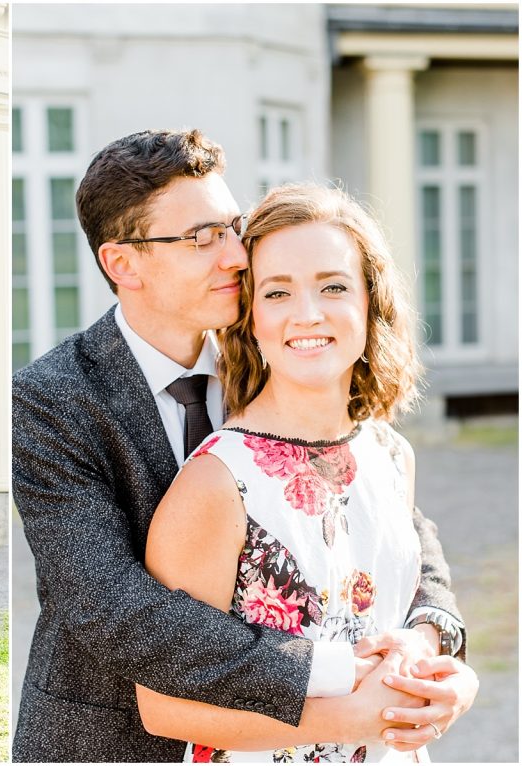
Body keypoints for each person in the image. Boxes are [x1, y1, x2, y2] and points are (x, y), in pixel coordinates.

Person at [12, 129, 472, 762]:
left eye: (231, 226)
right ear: (123, 264)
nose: (235, 255)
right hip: (116, 741)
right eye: (202, 238)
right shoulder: (50, 400)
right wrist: (343, 676)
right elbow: (112, 609)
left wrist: (432, 642)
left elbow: (405, 538)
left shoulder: (276, 365)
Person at [135, 183, 478, 761]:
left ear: (371, 303)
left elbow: (405, 611)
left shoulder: (392, 456)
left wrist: (448, 685)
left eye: (333, 286)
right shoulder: (217, 483)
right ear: (251, 320)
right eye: (277, 293)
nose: (307, 314)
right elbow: (163, 707)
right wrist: (349, 719)